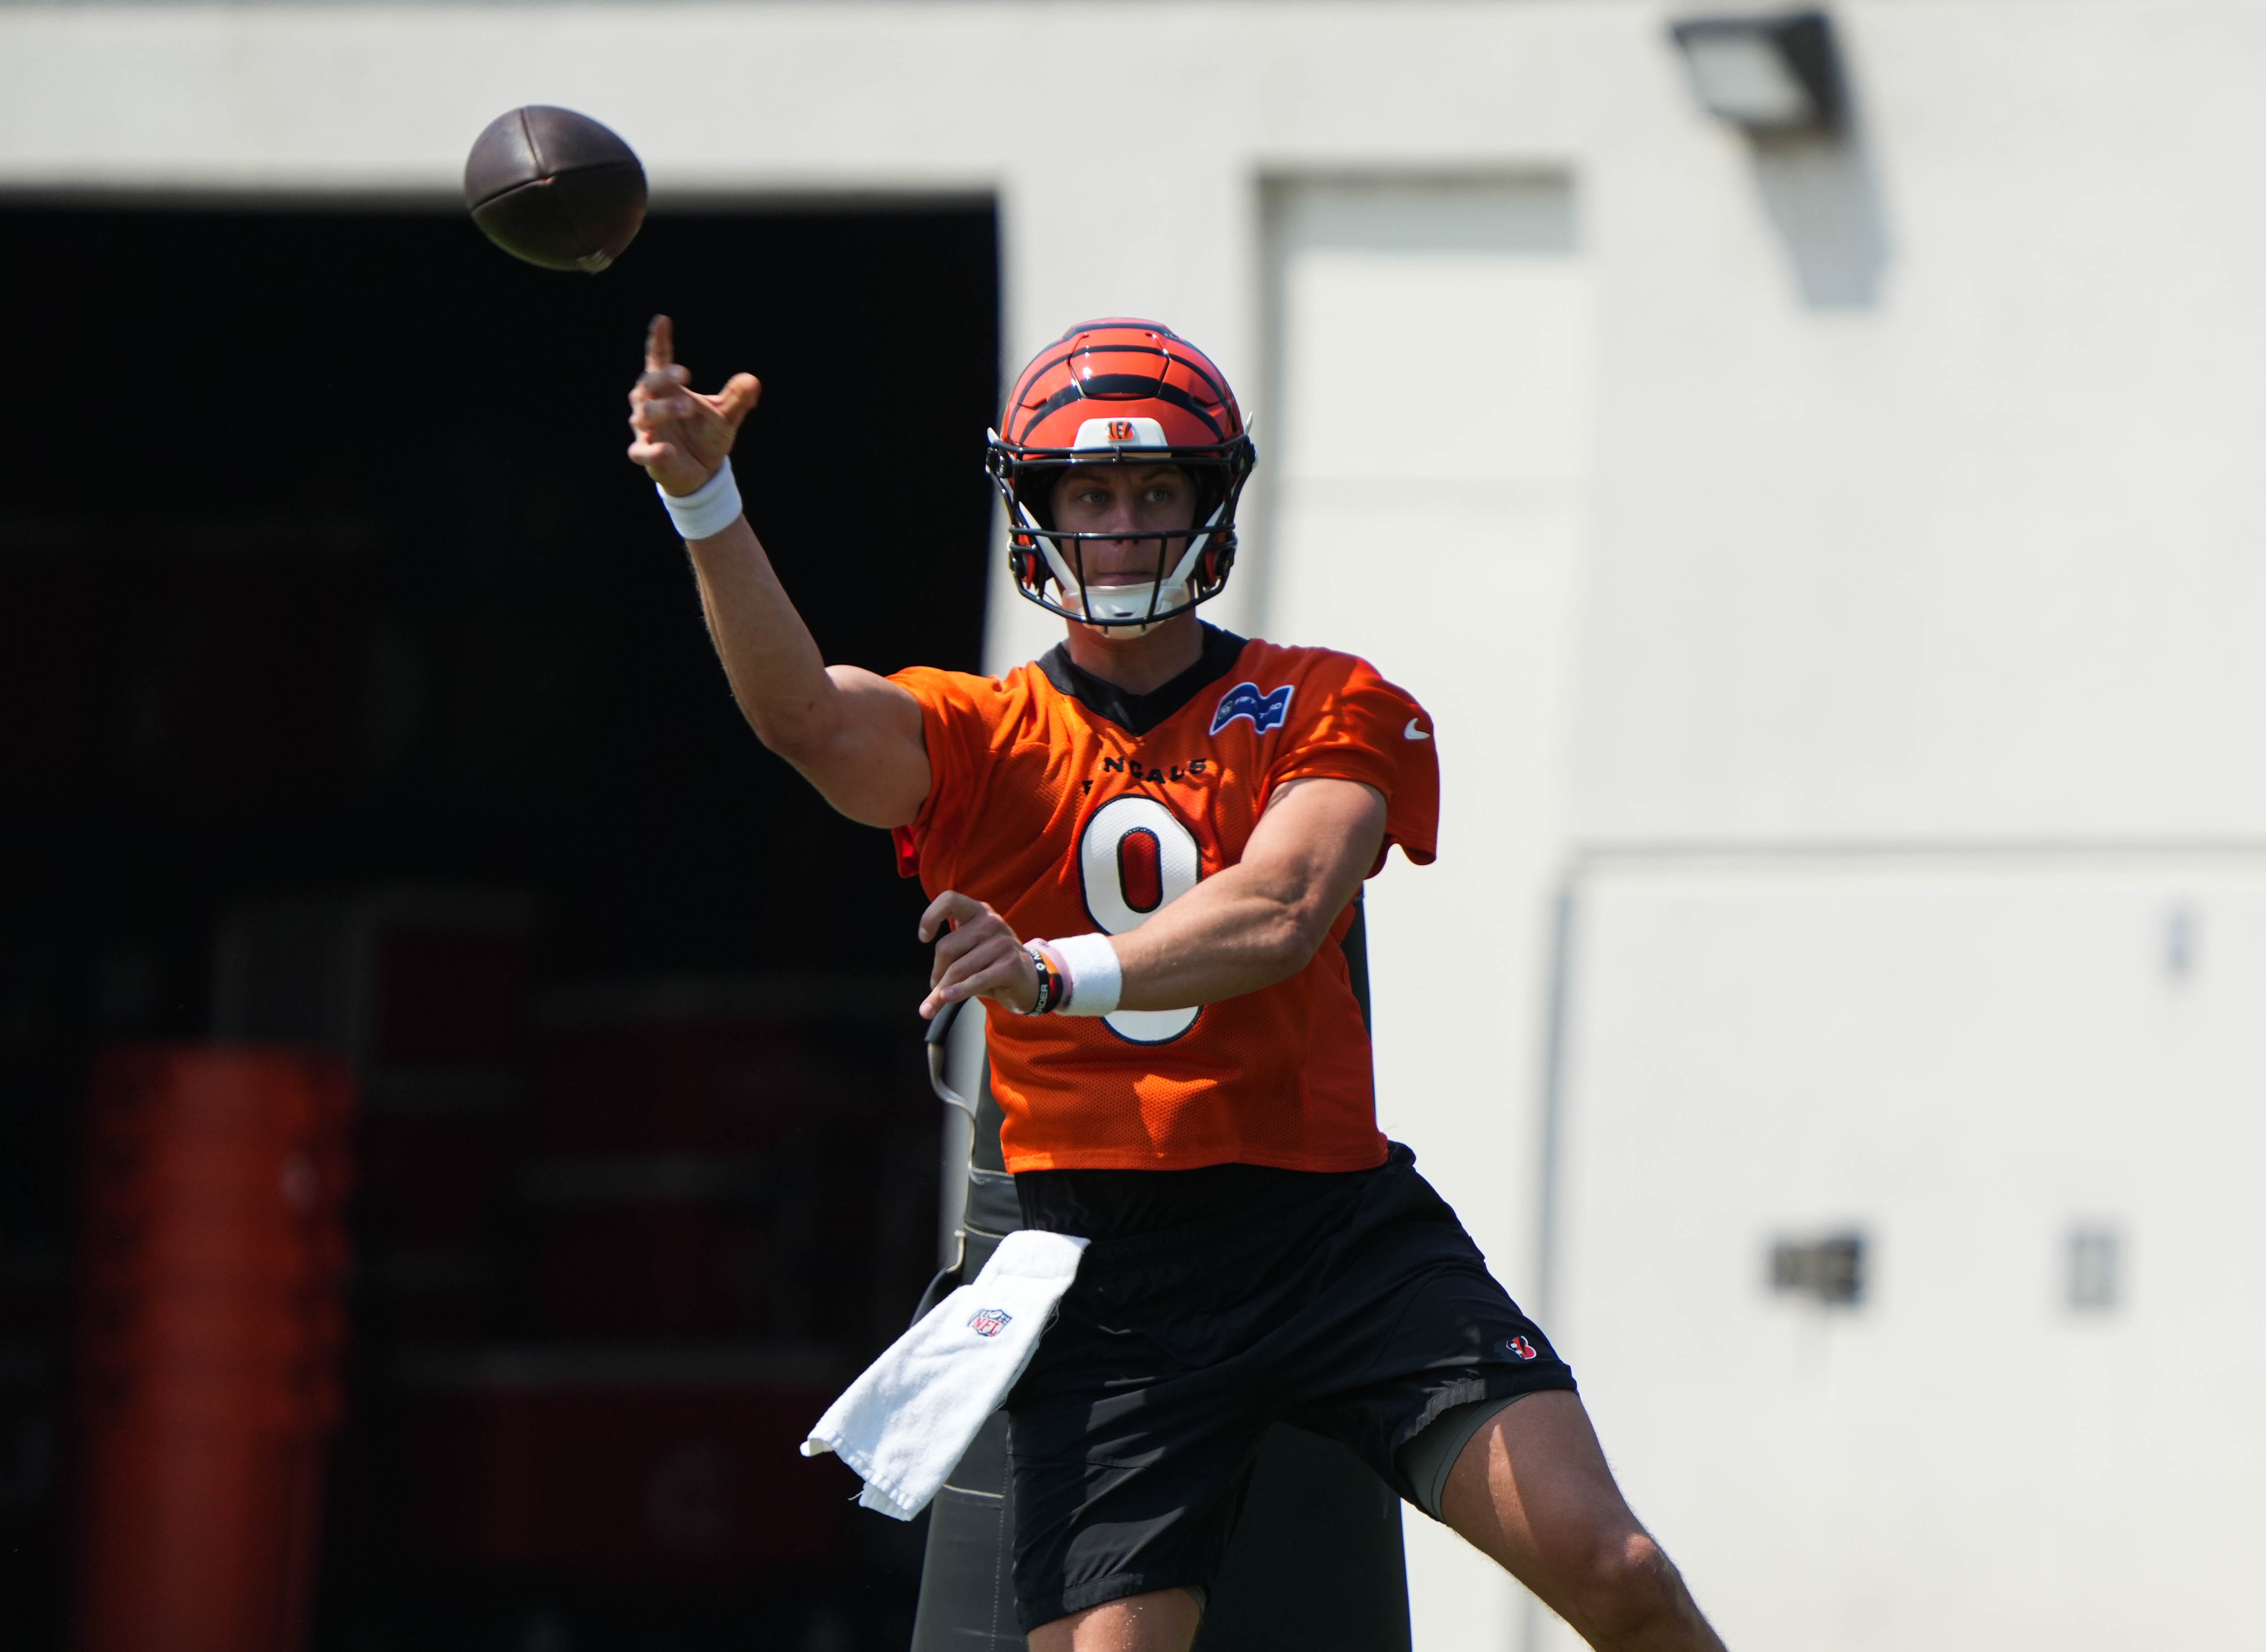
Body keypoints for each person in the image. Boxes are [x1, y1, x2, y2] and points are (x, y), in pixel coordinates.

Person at [626, 314, 1726, 1652]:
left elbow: (1279, 909)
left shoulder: (1325, 699)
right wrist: (706, 499)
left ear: (1211, 505)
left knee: (1613, 1565)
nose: (1123, 525)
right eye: (1090, 493)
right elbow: (803, 715)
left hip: (1329, 1232)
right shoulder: (978, 731)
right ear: (1036, 508)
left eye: (1156, 492)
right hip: (1101, 1270)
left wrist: (1048, 970)